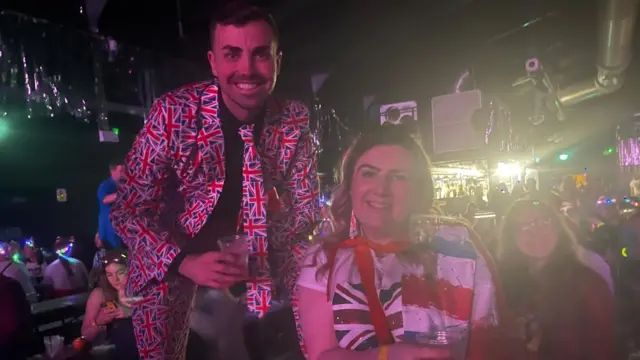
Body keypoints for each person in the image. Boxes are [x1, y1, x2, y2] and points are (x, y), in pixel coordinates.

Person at [110, 4, 320, 359]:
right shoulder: (173, 114)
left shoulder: (294, 118)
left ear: (278, 62)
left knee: (318, 292)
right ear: (213, 62)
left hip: (255, 259)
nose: (247, 70)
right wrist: (184, 262)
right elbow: (128, 210)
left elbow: (303, 211)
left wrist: (265, 256)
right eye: (232, 54)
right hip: (172, 263)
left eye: (260, 55)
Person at [296, 127, 505, 360]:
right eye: (369, 174)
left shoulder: (459, 246)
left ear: (418, 189)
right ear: (350, 185)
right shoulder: (324, 259)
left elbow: (491, 342)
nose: (381, 189)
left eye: (398, 177)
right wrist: (387, 356)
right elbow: (321, 355)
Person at [496, 200, 615, 359]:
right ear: (511, 237)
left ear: (558, 227)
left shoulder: (587, 284)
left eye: (543, 222)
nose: (535, 231)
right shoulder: (503, 285)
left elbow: (605, 346)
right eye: (523, 227)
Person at [82, 250, 138, 360]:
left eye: (120, 272)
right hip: (115, 352)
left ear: (130, 270)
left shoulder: (141, 291)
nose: (115, 279)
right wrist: (98, 322)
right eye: (110, 275)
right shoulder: (99, 295)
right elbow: (85, 336)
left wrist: (132, 313)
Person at [98, 161, 124, 249]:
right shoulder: (106, 185)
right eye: (121, 171)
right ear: (113, 171)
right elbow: (104, 199)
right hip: (109, 230)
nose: (124, 173)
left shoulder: (123, 185)